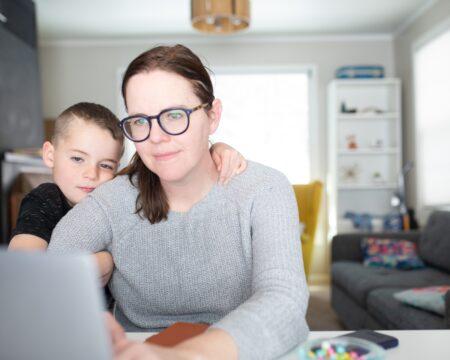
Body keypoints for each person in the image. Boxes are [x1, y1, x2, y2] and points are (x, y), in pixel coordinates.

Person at [48, 44, 309, 360]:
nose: (156, 137)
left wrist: (189, 355)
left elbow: (284, 299)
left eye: (174, 115)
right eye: (141, 121)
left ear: (212, 117)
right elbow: (51, 276)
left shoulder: (264, 189)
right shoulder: (112, 200)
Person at [8, 102, 246, 285]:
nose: (91, 174)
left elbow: (153, 172)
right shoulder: (45, 199)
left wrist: (217, 149)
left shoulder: (115, 195)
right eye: (77, 159)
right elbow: (22, 271)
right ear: (50, 155)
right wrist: (103, 262)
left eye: (105, 165)